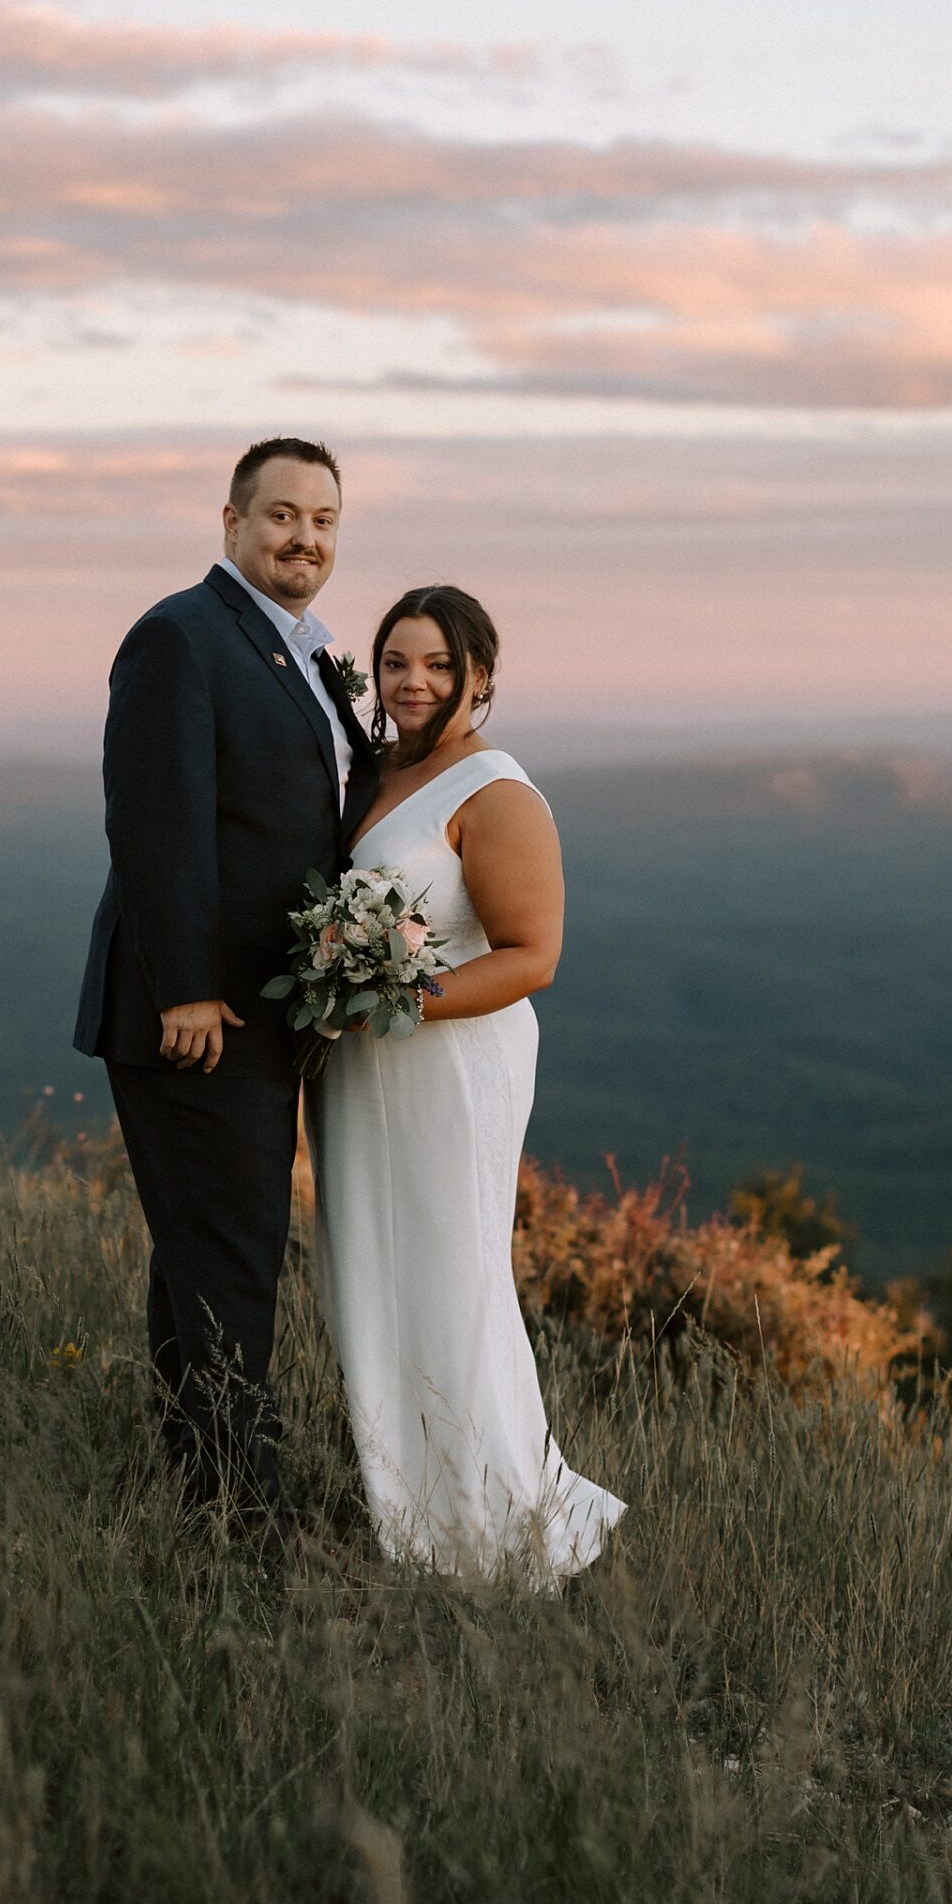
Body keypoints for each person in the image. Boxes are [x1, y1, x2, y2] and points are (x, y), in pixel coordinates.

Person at [74, 438, 380, 1525]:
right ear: (232, 522)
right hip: (197, 1015)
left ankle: (197, 1484)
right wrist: (188, 989)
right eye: (283, 516)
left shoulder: (303, 650)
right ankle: (240, 1515)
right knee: (236, 1256)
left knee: (205, 1253)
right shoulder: (180, 636)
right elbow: (154, 822)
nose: (306, 538)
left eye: (326, 521)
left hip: (262, 1010)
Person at [307, 587, 626, 1583]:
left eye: (439, 665)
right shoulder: (377, 772)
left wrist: (399, 997)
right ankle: (407, 1509)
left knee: (451, 1273)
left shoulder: (496, 792)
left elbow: (534, 955)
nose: (413, 682)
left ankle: (497, 1528)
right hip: (362, 1070)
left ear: (481, 677)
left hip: (447, 1066)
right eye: (396, 661)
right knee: (369, 1273)